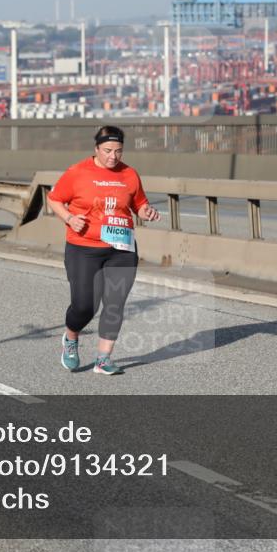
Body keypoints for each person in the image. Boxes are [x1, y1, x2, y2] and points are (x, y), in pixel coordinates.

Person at [46, 125, 160, 375]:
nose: (113, 156)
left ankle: (103, 359)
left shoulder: (129, 174)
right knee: (85, 306)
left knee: (115, 303)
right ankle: (71, 338)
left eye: (118, 151)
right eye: (108, 150)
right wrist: (69, 218)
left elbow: (139, 203)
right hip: (84, 247)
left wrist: (146, 212)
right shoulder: (77, 172)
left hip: (122, 248)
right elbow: (54, 198)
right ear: (96, 148)